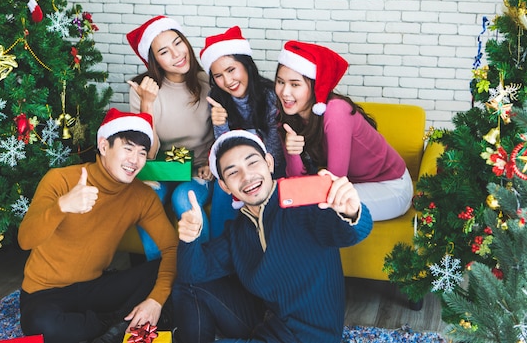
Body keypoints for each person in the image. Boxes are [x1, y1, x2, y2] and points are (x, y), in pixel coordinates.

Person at [172, 130, 373, 343]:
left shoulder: (303, 205)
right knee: (188, 286)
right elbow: (191, 275)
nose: (247, 176)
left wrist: (351, 210)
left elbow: (351, 232)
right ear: (224, 185)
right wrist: (189, 238)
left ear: (268, 162)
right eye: (233, 173)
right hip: (268, 323)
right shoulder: (238, 230)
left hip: (309, 336)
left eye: (252, 163)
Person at [18, 108, 178, 343]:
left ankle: (110, 326)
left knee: (165, 274)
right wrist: (62, 206)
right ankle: (115, 325)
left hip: (95, 286)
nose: (135, 160)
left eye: (142, 153)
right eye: (128, 148)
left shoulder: (142, 196)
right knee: (42, 326)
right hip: (45, 291)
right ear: (104, 146)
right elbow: (25, 240)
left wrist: (155, 300)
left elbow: (171, 248)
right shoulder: (60, 180)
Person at [275, 40, 414, 221]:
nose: (285, 92)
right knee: (291, 203)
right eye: (280, 82)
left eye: (295, 84)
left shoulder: (336, 111)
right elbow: (295, 182)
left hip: (391, 187)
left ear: (315, 86)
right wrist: (292, 152)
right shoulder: (286, 116)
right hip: (354, 185)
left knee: (325, 208)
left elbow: (335, 182)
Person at [126, 15, 215, 254]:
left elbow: (224, 131)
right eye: (164, 52)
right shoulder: (143, 89)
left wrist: (212, 162)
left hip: (200, 169)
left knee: (184, 199)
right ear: (154, 60)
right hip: (162, 168)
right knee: (146, 198)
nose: (177, 54)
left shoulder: (208, 82)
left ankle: (204, 273)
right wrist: (147, 105)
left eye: (178, 43)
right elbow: (150, 152)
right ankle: (158, 275)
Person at [199, 25, 284, 237]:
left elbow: (273, 153)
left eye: (231, 70)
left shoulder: (270, 95)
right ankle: (220, 254)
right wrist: (220, 124)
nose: (227, 81)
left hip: (271, 166)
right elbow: (224, 155)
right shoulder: (216, 99)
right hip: (237, 169)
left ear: (246, 65)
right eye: (218, 75)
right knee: (223, 185)